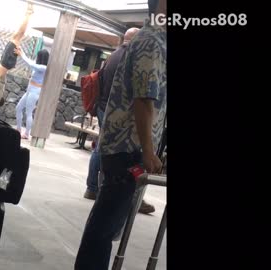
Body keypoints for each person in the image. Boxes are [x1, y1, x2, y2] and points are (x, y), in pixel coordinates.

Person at [74, 0, 167, 269]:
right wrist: (149, 152)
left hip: (128, 146)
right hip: (129, 149)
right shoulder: (152, 42)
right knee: (103, 230)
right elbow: (144, 100)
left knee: (106, 228)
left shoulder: (155, 41)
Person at [83, 27, 139, 200]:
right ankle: (116, 191)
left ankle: (93, 187)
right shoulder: (129, 56)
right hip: (114, 109)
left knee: (102, 146)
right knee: (115, 150)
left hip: (103, 106)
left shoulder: (113, 55)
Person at [0, 3, 34, 116]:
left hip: (2, 66)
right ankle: (28, 13)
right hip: (1, 69)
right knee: (18, 36)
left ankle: (29, 13)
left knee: (18, 36)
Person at [14, 48, 49, 139]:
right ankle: (18, 129)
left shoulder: (44, 68)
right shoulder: (38, 65)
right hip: (30, 90)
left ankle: (26, 134)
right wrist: (22, 52)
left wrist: (22, 55)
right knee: (18, 108)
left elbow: (30, 63)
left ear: (40, 57)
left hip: (35, 91)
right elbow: (30, 62)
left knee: (28, 112)